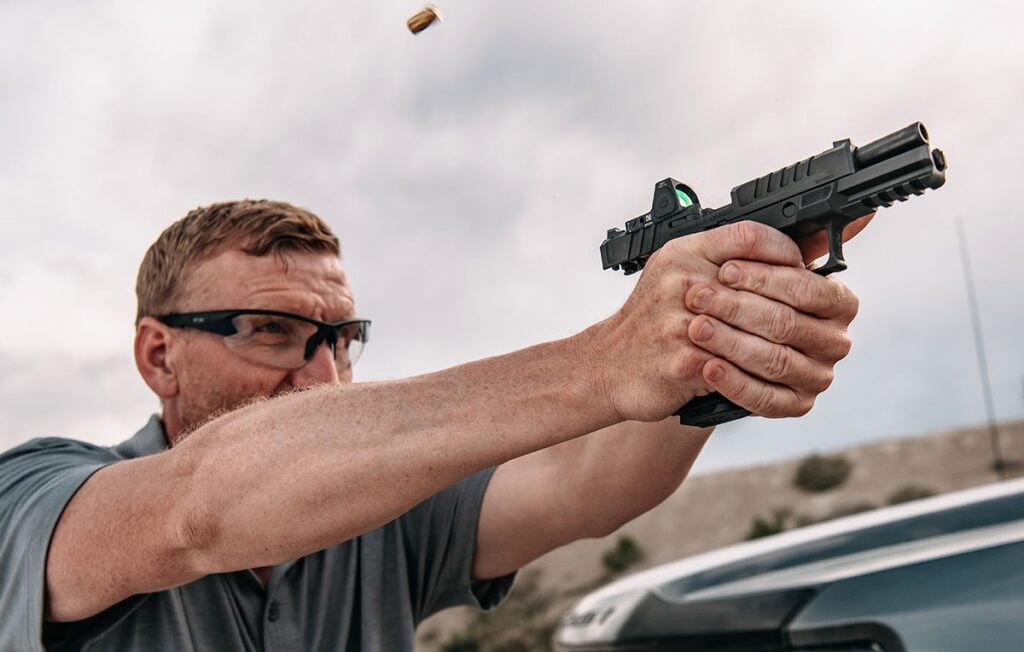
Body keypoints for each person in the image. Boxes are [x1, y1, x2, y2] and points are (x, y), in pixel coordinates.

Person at [0, 199, 863, 650]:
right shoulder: (35, 495)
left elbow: (585, 485)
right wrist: (606, 360)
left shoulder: (386, 512)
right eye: (269, 332)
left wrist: (707, 347)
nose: (321, 374)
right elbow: (202, 504)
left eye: (342, 339)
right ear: (157, 355)